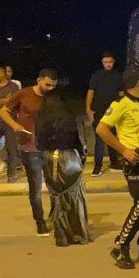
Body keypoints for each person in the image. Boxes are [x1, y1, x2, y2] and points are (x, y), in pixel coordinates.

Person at [97, 68, 139, 269]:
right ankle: (121, 245)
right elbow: (101, 129)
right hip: (135, 160)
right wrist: (123, 150)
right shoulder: (121, 104)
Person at [0, 69, 59, 236]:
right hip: (29, 147)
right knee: (36, 187)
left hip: (49, 146)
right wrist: (15, 126)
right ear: (38, 80)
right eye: (47, 84)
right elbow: (3, 111)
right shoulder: (23, 94)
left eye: (53, 86)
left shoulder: (52, 97)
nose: (50, 88)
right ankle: (40, 221)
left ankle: (54, 216)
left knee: (54, 185)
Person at [36, 93, 91, 246]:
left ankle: (62, 235)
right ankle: (78, 232)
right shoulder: (68, 117)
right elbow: (77, 141)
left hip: (49, 158)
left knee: (57, 196)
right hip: (69, 157)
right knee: (74, 196)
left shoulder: (42, 119)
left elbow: (39, 143)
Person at [85, 52, 124, 177]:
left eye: (110, 62)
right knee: (100, 139)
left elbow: (122, 93)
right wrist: (88, 109)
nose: (108, 64)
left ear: (113, 62)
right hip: (99, 111)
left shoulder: (118, 76)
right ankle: (98, 166)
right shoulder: (96, 75)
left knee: (112, 136)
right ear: (102, 62)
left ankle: (114, 162)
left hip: (113, 112)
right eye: (106, 62)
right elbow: (91, 92)